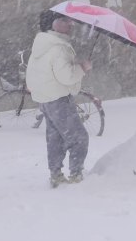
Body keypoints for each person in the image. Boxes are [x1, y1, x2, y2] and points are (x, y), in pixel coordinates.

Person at [26, 10, 92, 188]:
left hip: (46, 100)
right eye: (64, 20)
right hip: (59, 99)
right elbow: (67, 77)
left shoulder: (42, 44)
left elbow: (33, 73)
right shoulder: (58, 48)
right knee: (79, 137)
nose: (70, 23)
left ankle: (56, 175)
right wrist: (82, 68)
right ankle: (77, 175)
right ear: (51, 24)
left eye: (70, 20)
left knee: (55, 138)